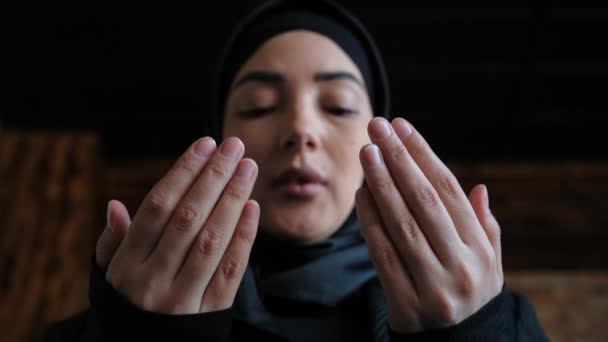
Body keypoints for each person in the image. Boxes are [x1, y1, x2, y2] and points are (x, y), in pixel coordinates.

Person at [45, 1, 549, 341]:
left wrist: (479, 332)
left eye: (339, 105)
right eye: (260, 106)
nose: (300, 130)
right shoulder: (106, 325)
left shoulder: (501, 321)